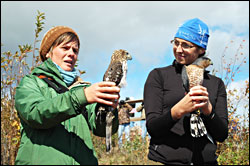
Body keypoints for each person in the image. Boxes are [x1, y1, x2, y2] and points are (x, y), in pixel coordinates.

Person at [14, 26, 120, 165]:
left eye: (75, 50)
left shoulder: (83, 89)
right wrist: (81, 97)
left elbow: (102, 130)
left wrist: (107, 108)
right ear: (48, 52)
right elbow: (35, 114)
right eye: (65, 48)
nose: (71, 54)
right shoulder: (31, 82)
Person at [144, 18, 228, 165]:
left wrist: (208, 110)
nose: (179, 49)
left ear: (201, 50)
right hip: (165, 161)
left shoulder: (216, 84)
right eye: (176, 43)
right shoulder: (159, 76)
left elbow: (222, 135)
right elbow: (152, 128)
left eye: (186, 45)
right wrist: (178, 110)